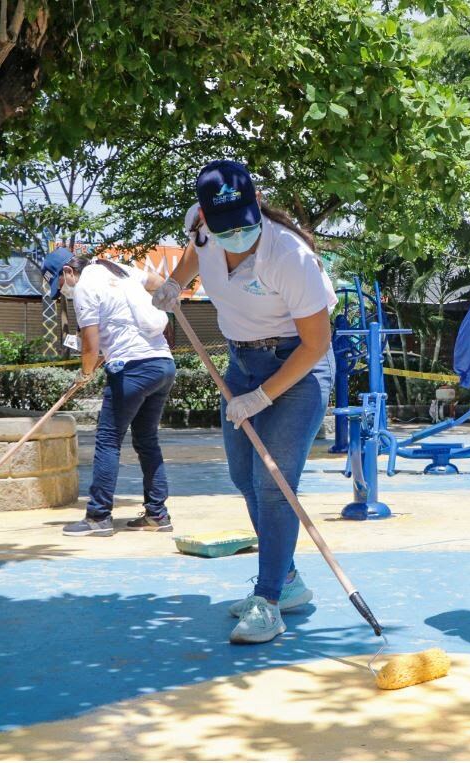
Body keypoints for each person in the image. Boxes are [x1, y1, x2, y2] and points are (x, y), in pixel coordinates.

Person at [153, 160, 336, 645]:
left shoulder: (288, 255)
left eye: (246, 225)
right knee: (243, 476)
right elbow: (196, 253)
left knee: (274, 481)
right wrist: (176, 282)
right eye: (224, 228)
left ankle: (270, 599)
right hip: (240, 361)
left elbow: (316, 344)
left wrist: (261, 397)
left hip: (297, 366)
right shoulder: (203, 225)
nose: (238, 236)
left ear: (258, 206)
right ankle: (290, 581)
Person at [41, 248, 177, 537]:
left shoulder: (84, 287)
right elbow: (157, 281)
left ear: (67, 272)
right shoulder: (117, 269)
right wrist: (170, 293)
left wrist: (85, 372)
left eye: (61, 284)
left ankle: (98, 516)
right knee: (147, 440)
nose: (63, 291)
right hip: (163, 364)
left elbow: (90, 344)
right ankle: (157, 514)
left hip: (131, 369)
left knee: (107, 441)